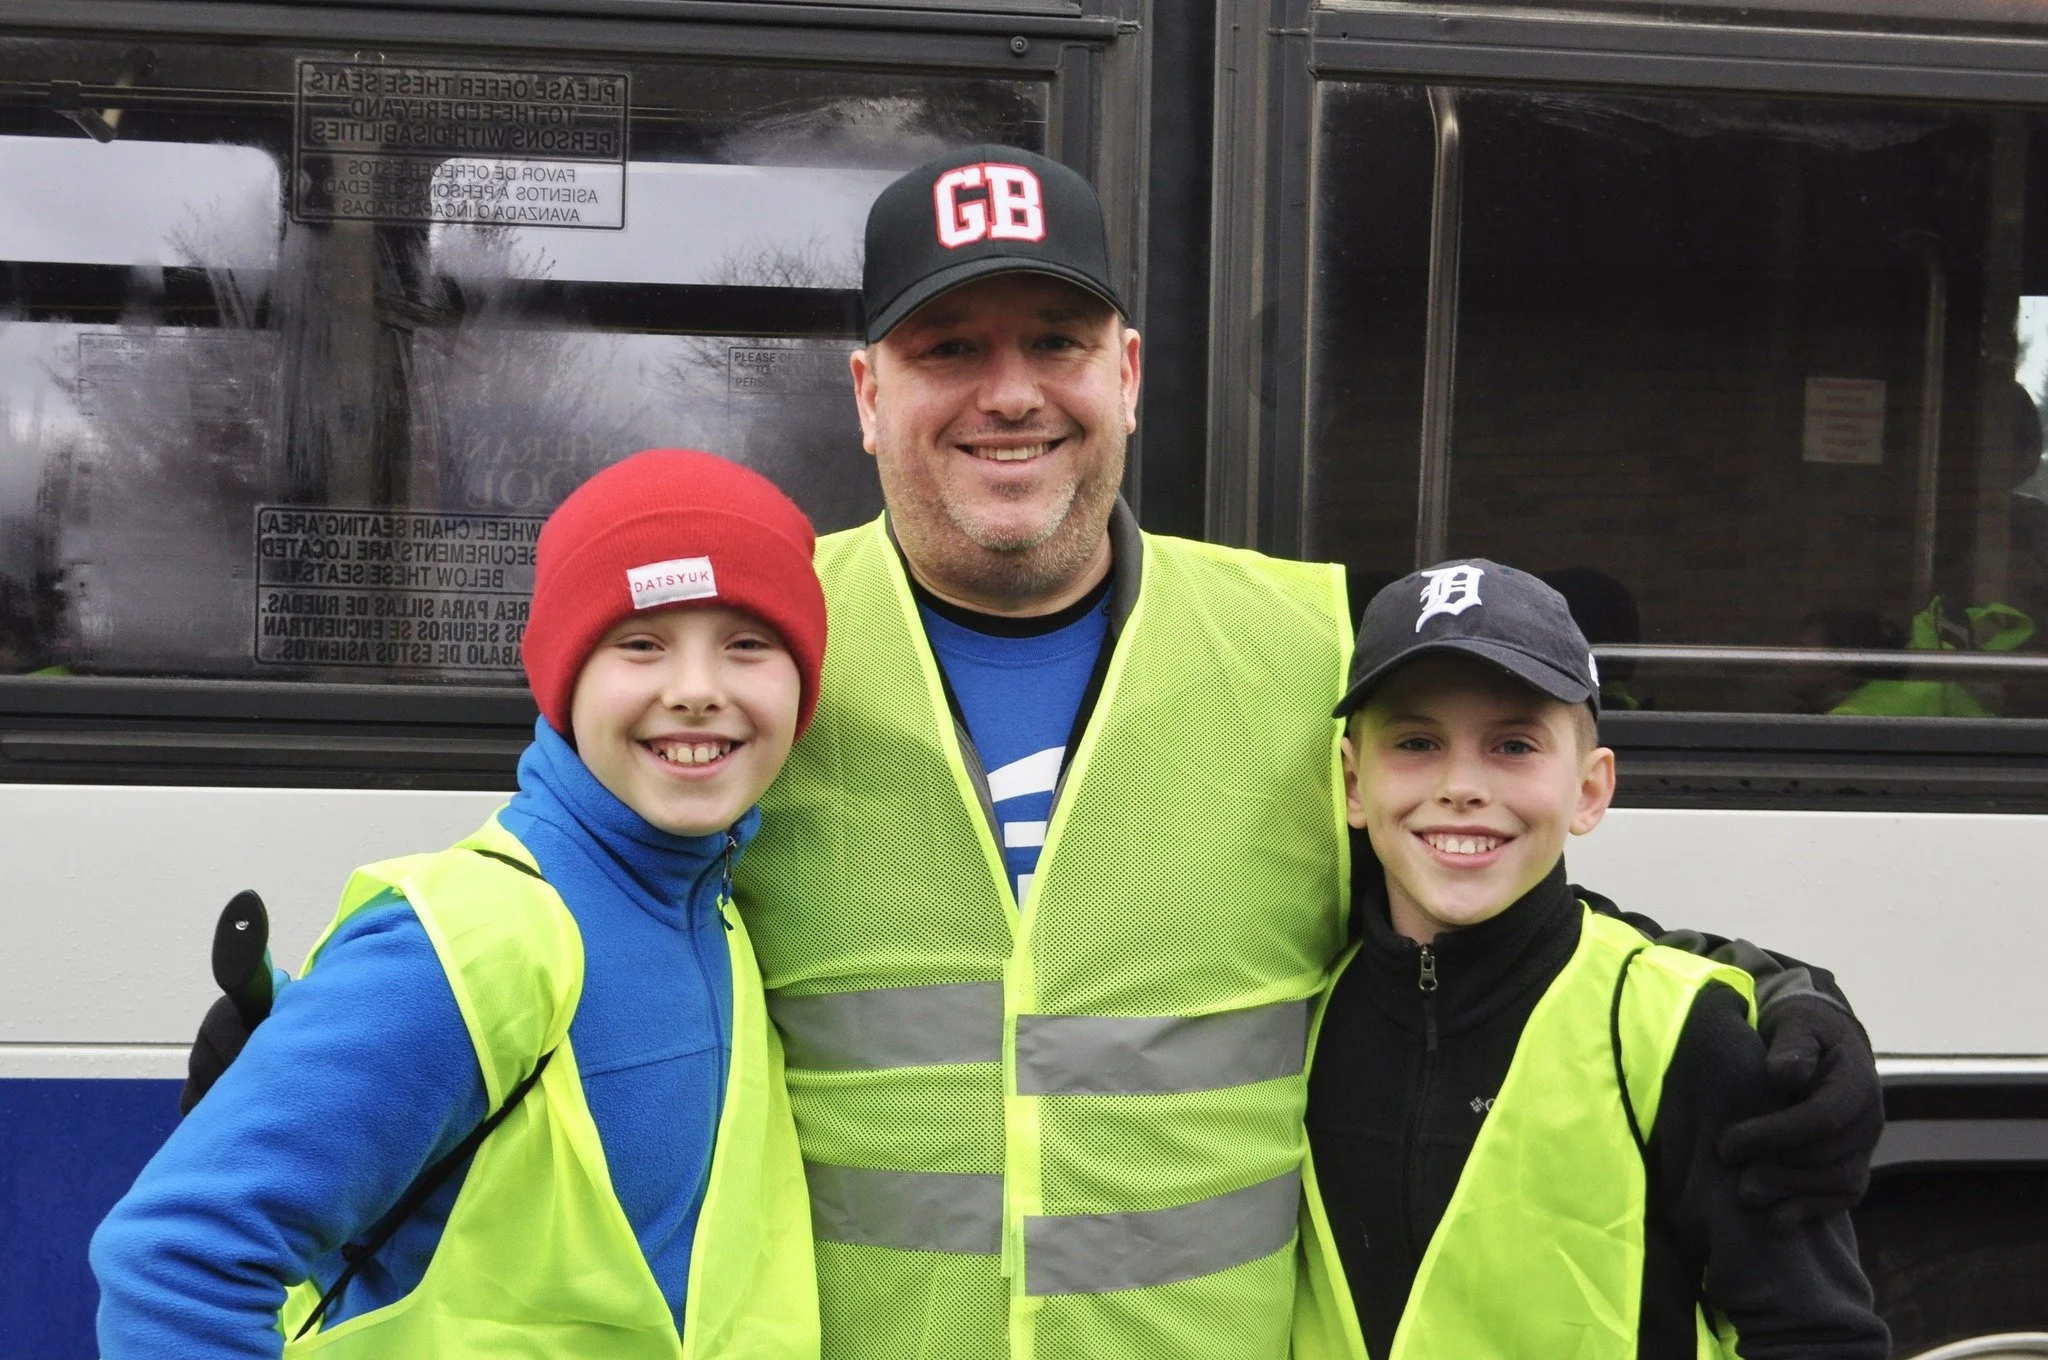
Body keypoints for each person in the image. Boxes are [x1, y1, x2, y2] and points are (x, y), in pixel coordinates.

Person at [727, 146, 1884, 1359]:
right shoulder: (760, 655)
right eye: (947, 347)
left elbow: (1464, 889)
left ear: (1125, 375)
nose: (1007, 392)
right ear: (866, 395)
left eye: (1056, 341)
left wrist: (1761, 982)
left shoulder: (1304, 648)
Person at [91, 449, 823, 1358]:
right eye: (641, 643)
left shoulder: (716, 910)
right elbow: (173, 1264)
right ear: (565, 680)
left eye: (748, 643)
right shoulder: (475, 939)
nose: (698, 690)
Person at [1294, 560, 1889, 1359]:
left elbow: (1816, 1337)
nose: (1462, 784)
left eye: (1512, 744)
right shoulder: (1297, 1011)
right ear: (1353, 784)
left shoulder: (1686, 1034)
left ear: (1590, 790)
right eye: (1415, 741)